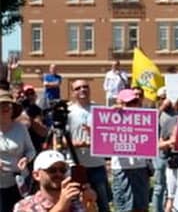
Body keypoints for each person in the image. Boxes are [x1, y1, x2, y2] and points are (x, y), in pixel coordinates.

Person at [64, 80, 111, 212]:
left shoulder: (100, 110)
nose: (82, 90)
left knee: (102, 204)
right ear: (73, 93)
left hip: (97, 164)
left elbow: (109, 136)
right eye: (78, 88)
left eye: (85, 87)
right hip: (74, 166)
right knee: (75, 205)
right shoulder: (67, 112)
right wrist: (73, 144)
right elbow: (58, 141)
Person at [13, 150, 96, 212]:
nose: (58, 174)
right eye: (52, 170)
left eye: (62, 170)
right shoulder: (24, 206)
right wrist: (61, 205)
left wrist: (89, 204)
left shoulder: (77, 202)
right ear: (36, 175)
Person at [110, 89, 152, 212]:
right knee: (124, 207)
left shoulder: (145, 118)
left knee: (142, 206)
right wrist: (113, 114)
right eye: (128, 103)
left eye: (135, 101)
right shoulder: (111, 117)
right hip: (122, 168)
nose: (133, 105)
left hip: (141, 168)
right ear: (120, 103)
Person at [0, 91, 35, 212]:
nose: (4, 108)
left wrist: (26, 159)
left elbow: (31, 150)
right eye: (1, 105)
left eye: (7, 106)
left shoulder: (21, 128)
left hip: (20, 181)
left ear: (13, 109)